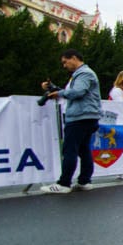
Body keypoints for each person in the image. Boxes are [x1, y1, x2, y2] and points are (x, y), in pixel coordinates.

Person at [39, 49, 102, 194]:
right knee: (83, 149)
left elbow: (78, 92)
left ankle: (64, 183)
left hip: (79, 116)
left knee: (70, 149)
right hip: (88, 116)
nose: (64, 65)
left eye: (65, 62)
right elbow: (76, 91)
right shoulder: (82, 74)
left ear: (73, 58)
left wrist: (59, 93)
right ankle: (84, 181)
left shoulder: (84, 73)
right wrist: (54, 88)